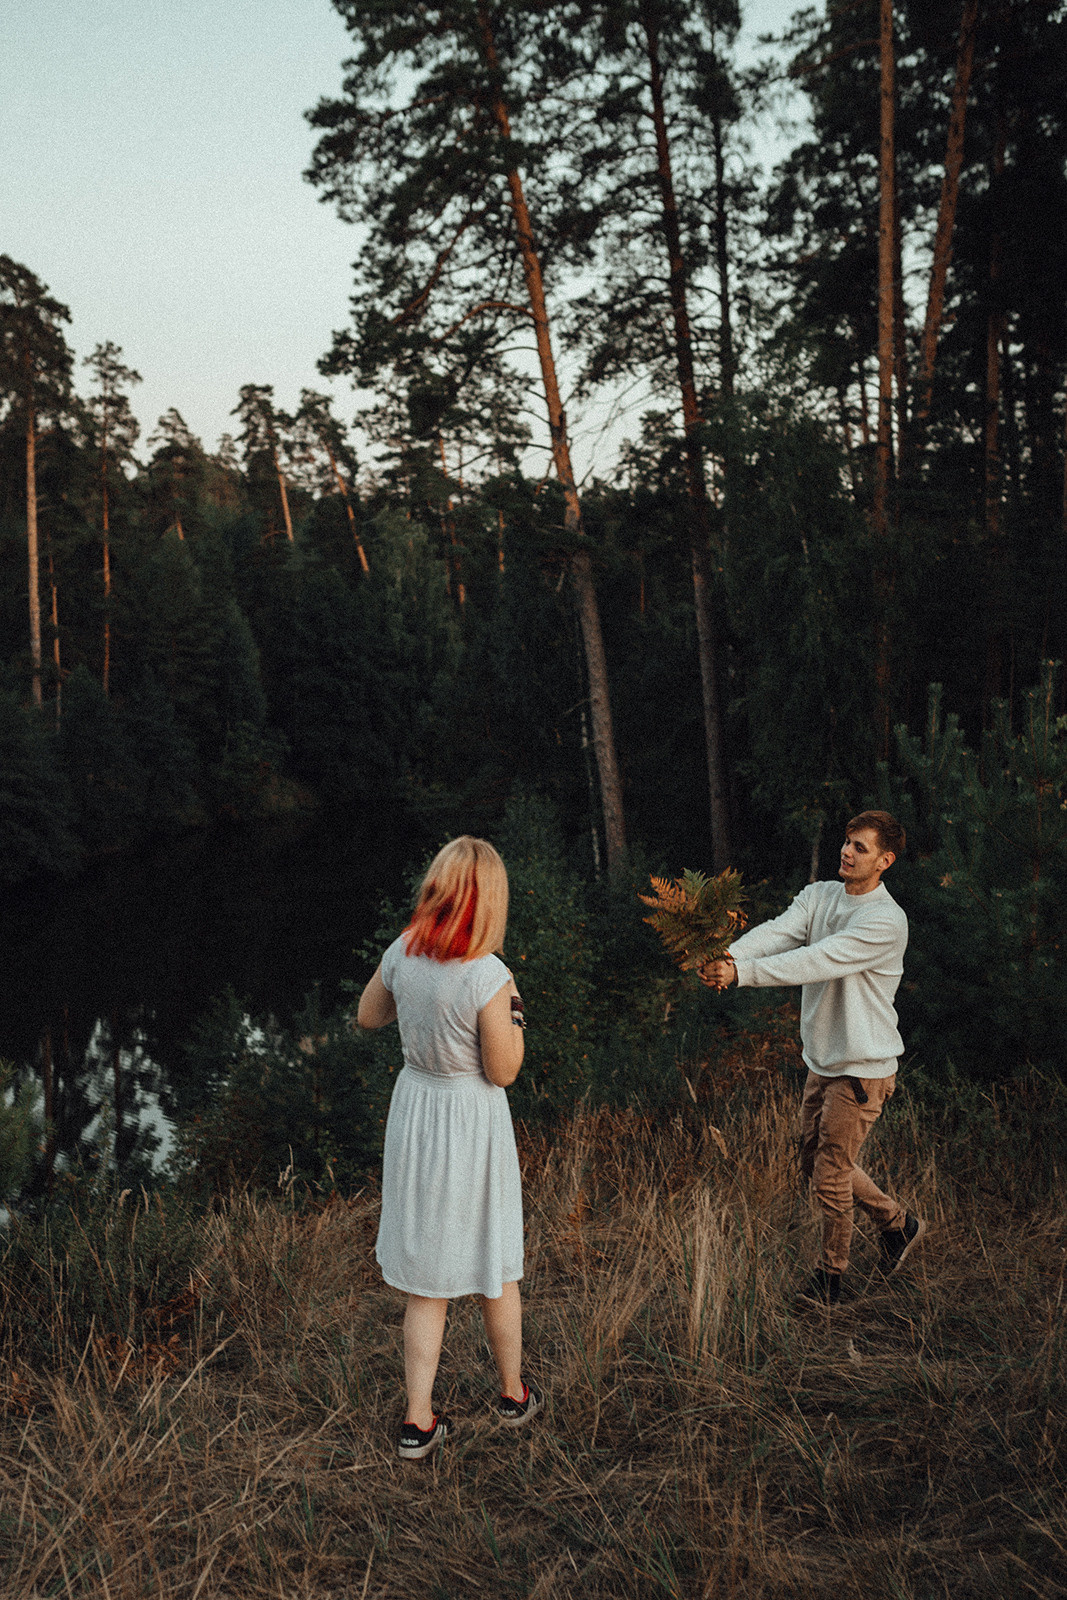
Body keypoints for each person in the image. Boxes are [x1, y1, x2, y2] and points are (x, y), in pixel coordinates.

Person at [356, 835, 543, 1459]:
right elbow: (505, 1070)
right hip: (469, 1118)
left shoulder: (403, 953)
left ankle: (417, 1421)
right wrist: (516, 1015)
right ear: (490, 900)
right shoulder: (489, 976)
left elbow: (367, 1016)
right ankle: (513, 1395)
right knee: (495, 1262)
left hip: (417, 1110)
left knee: (427, 1282)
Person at [700, 810, 925, 1305]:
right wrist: (732, 958)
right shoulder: (819, 895)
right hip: (823, 1060)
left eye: (860, 847)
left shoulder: (884, 921)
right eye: (847, 842)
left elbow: (816, 959)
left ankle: (831, 1280)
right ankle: (897, 1223)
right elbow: (780, 933)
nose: (847, 851)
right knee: (816, 1164)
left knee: (830, 1174)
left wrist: (742, 976)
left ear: (884, 861)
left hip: (863, 1067)